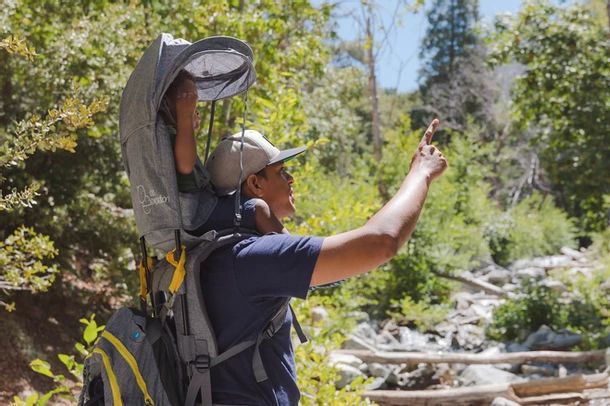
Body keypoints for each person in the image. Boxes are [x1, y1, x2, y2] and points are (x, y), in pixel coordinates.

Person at [201, 119, 448, 405]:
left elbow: (342, 266)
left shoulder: (219, 252)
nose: (291, 178)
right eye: (282, 171)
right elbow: (381, 241)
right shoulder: (253, 257)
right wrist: (421, 173)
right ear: (255, 183)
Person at [159, 70, 286, 235]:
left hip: (197, 210)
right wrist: (185, 117)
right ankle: (296, 254)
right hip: (197, 216)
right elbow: (184, 165)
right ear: (169, 104)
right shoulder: (171, 134)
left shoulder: (166, 135)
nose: (195, 112)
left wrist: (187, 123)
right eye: (189, 103)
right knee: (258, 208)